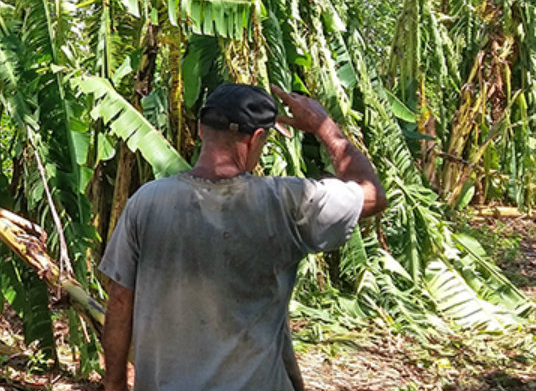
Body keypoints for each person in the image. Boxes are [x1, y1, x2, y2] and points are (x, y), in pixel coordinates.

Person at [99, 83, 387, 391]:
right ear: (257, 138)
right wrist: (323, 125)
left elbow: (119, 301)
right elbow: (372, 195)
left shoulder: (147, 201)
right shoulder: (286, 202)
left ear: (200, 129)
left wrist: (114, 384)